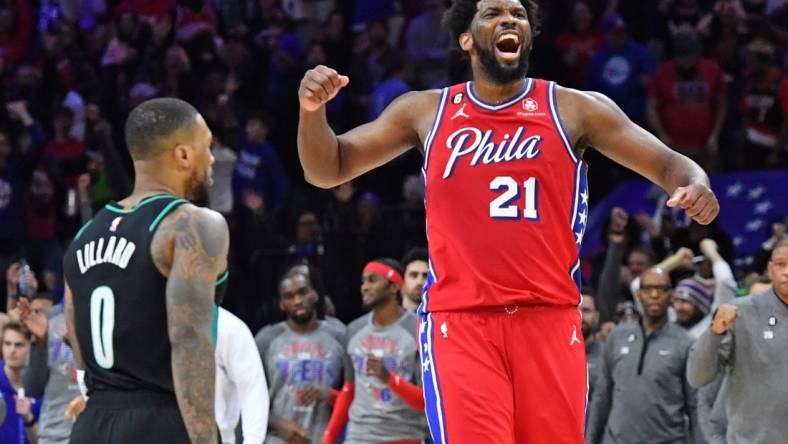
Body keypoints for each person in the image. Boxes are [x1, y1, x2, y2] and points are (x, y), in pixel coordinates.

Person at [296, 1, 719, 442]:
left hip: (550, 319)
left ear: (529, 35)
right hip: (461, 323)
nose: (509, 19)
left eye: (517, 13)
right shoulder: (424, 112)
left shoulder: (575, 109)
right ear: (466, 39)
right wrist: (312, 112)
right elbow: (329, 167)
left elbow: (671, 164)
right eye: (493, 12)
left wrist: (697, 183)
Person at [62, 98, 228, 444]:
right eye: (207, 147)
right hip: (159, 421)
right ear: (183, 155)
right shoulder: (192, 224)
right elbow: (188, 337)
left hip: (92, 425)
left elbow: (75, 339)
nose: (211, 159)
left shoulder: (82, 237)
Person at [687, 239, 788, 443]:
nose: (786, 271)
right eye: (780, 264)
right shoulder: (741, 312)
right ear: (770, 269)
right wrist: (714, 334)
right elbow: (697, 378)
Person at [322, 259, 428, 444]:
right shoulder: (354, 330)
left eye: (372, 280)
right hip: (358, 435)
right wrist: (329, 436)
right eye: (363, 281)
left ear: (394, 286)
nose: (364, 287)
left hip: (402, 435)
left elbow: (425, 400)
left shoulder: (417, 330)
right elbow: (349, 390)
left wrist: (389, 379)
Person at [586, 268, 696, 444]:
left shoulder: (685, 343)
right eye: (648, 289)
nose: (654, 295)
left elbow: (695, 406)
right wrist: (589, 440)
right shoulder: (617, 338)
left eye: (661, 289)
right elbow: (602, 397)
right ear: (638, 294)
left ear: (671, 295)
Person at [255, 271, 346, 444]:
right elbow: (248, 400)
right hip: (277, 439)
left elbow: (358, 395)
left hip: (325, 438)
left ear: (315, 295)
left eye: (302, 292)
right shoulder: (266, 339)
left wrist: (331, 396)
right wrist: (278, 424)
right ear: (281, 304)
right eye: (289, 296)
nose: (297, 301)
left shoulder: (340, 336)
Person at [215, 305, 269, 444]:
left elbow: (253, 390)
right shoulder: (155, 318)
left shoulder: (228, 327)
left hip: (218, 436)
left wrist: (253, 440)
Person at [0, 322, 42, 444]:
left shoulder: (40, 386)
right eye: (7, 344)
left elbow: (41, 441)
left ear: (31, 347)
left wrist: (28, 418)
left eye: (19, 345)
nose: (12, 350)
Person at [400, 248, 429, 312]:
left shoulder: (439, 319)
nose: (420, 282)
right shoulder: (388, 316)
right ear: (402, 278)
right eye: (413, 275)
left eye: (425, 276)